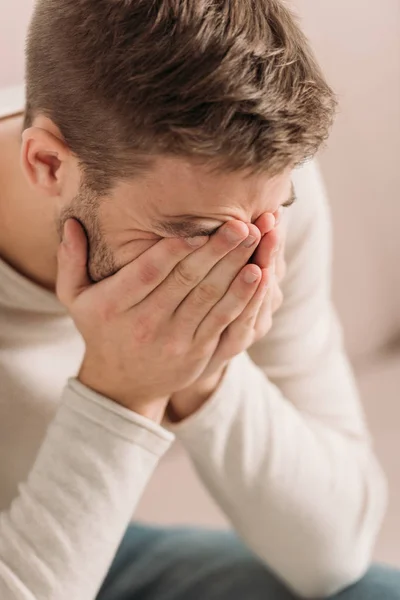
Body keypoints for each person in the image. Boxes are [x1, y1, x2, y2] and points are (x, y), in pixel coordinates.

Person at [0, 0, 399, 598]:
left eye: (269, 213)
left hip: (89, 532)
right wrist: (123, 390)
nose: (237, 257)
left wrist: (204, 369)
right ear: (49, 164)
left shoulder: (251, 194)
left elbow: (335, 554)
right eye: (194, 233)